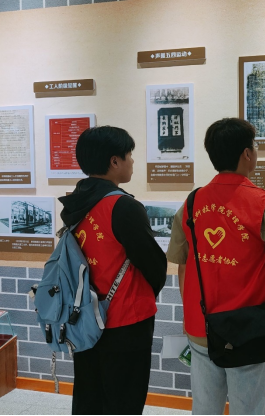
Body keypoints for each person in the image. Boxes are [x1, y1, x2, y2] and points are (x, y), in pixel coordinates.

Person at [167, 118, 265, 415]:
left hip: (201, 326)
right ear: (246, 154)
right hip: (249, 330)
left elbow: (184, 267)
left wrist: (191, 316)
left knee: (205, 408)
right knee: (249, 410)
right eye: (254, 146)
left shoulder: (191, 204)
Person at [59, 126, 167, 415]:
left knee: (89, 397)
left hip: (83, 317)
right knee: (123, 402)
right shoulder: (123, 206)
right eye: (129, 154)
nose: (132, 161)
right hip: (125, 320)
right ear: (114, 161)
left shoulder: (75, 202)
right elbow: (154, 265)